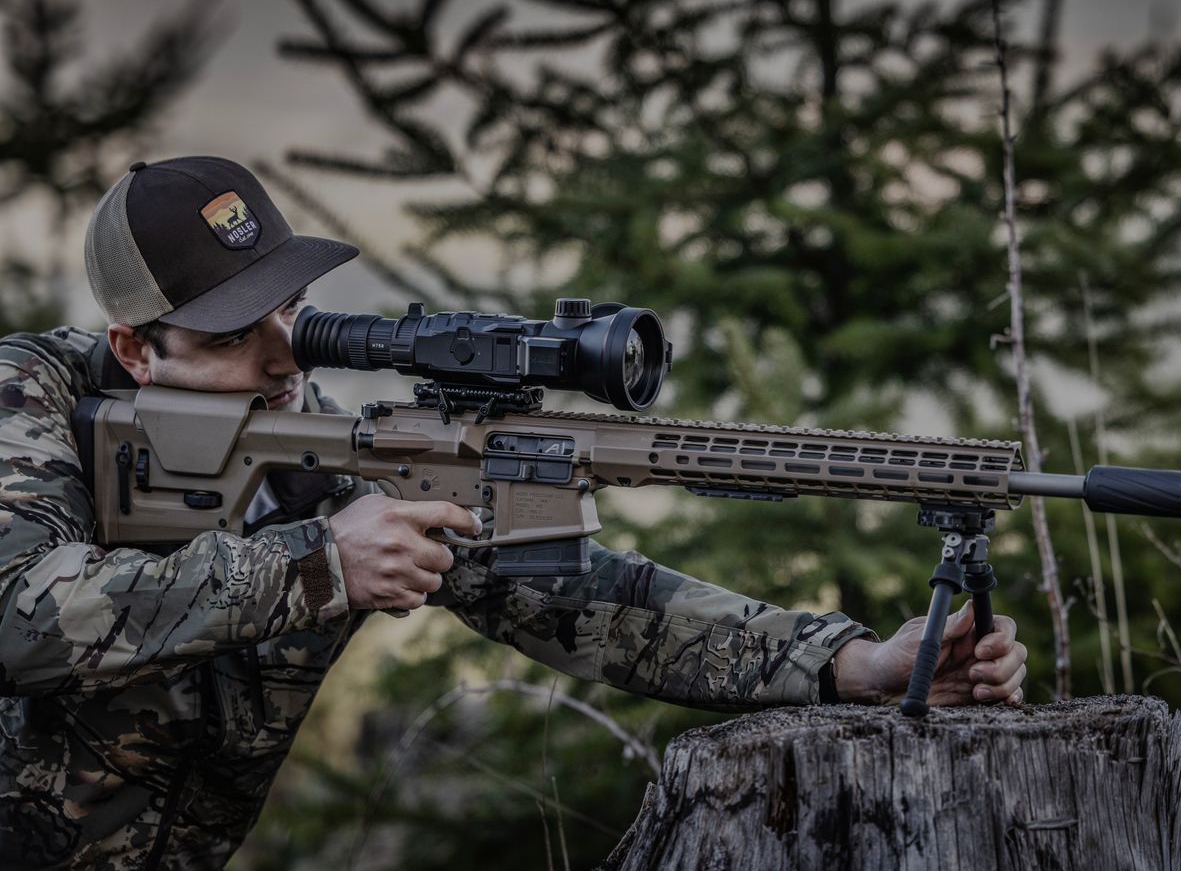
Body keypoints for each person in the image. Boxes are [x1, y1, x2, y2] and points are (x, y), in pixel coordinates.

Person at [0, 156, 1028, 867]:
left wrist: (846, 662)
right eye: (230, 334)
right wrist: (316, 564)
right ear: (138, 351)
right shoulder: (28, 401)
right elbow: (21, 615)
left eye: (282, 306)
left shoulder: (316, 451)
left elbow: (576, 597)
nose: (279, 357)